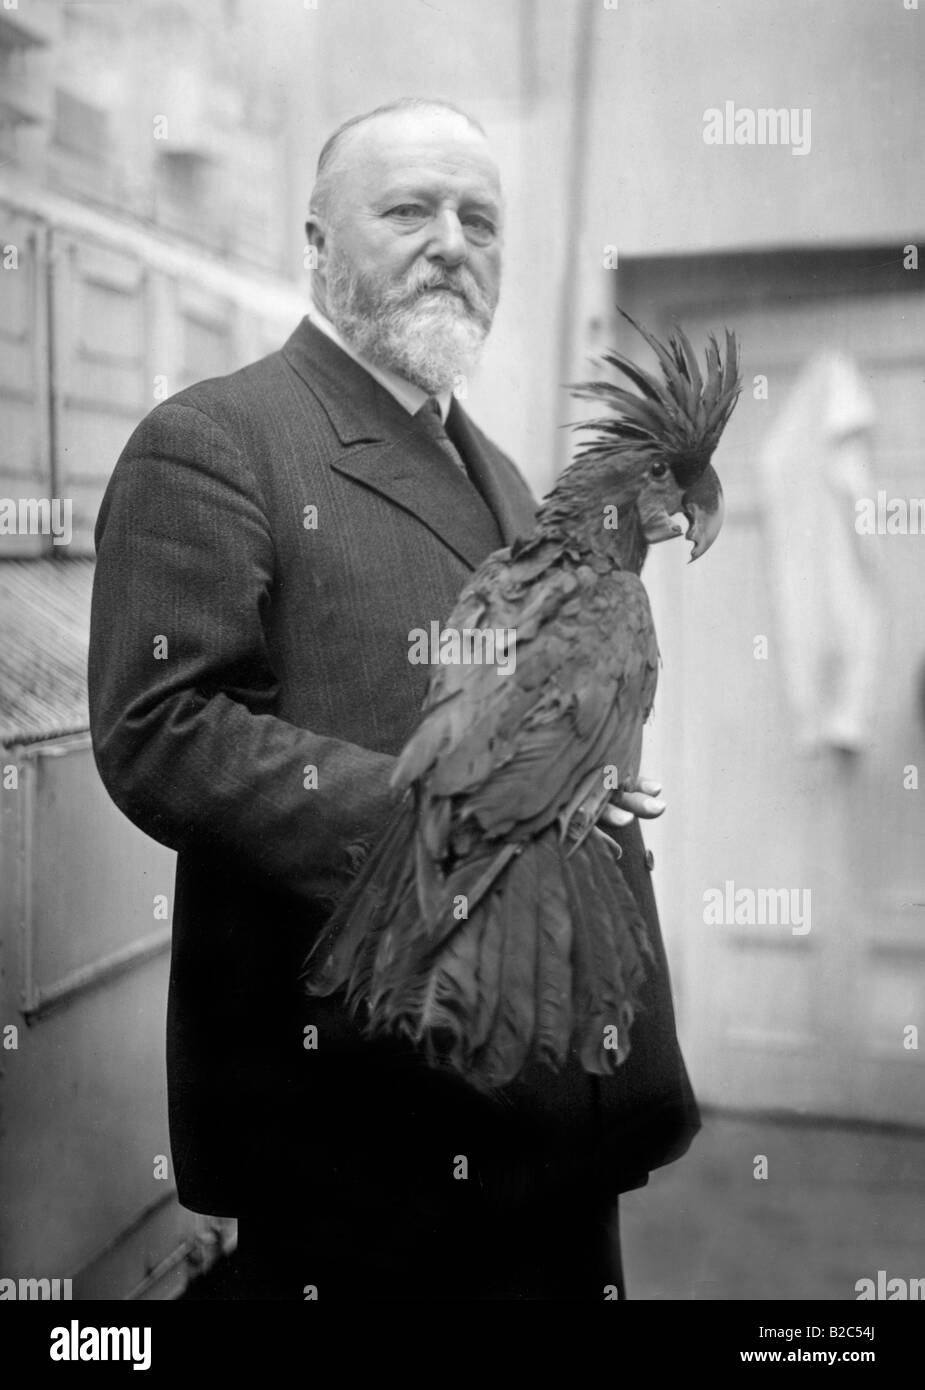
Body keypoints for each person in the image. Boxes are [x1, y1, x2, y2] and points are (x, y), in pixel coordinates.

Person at [88, 96, 699, 1301]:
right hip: (367, 1135)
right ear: (315, 241)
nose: (453, 242)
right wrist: (456, 824)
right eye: (409, 209)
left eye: (480, 219)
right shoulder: (215, 440)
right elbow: (160, 731)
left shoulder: (511, 479)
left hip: (559, 1115)